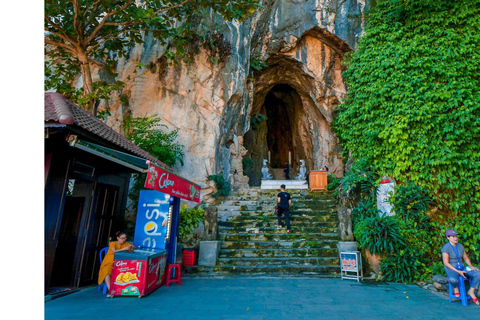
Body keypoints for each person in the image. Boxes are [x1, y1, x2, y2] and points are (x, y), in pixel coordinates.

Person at [441, 229, 480, 305]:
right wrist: (458, 272)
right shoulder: (446, 247)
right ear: (448, 238)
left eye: (456, 236)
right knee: (453, 280)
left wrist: (471, 266)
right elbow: (446, 263)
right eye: (453, 237)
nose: (456, 238)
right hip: (451, 267)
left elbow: (465, 258)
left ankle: (471, 291)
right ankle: (456, 288)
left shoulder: (460, 246)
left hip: (461, 266)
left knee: (478, 273)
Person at [98, 231, 136, 297]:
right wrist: (124, 248)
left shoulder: (125, 243)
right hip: (109, 262)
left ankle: (124, 288)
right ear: (117, 238)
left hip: (119, 263)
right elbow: (114, 251)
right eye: (122, 238)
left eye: (125, 238)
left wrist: (131, 247)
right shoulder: (113, 243)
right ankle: (110, 290)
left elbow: (133, 248)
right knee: (107, 271)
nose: (123, 240)